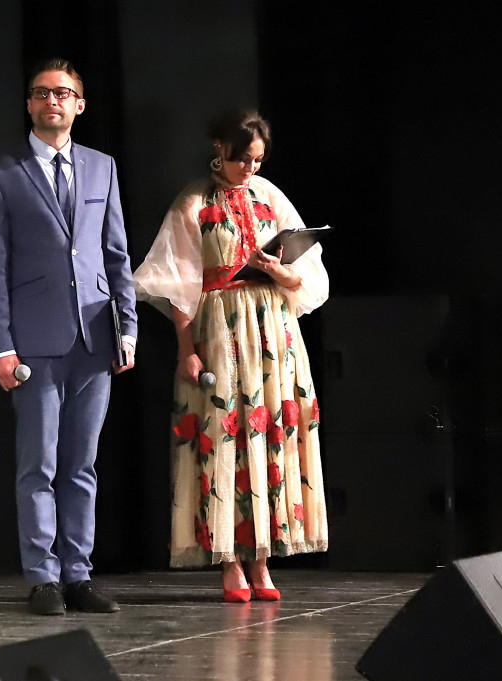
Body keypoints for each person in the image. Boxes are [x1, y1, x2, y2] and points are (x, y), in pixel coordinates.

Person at [133, 109, 329, 601]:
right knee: (226, 434)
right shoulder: (194, 202)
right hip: (221, 327)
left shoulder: (269, 198)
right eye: (243, 159)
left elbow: (305, 273)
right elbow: (178, 285)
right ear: (220, 148)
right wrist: (187, 351)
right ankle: (229, 562)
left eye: (258, 160)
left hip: (272, 329)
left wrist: (277, 270)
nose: (250, 169)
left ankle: (262, 559)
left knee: (268, 435)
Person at [0, 58, 137, 615]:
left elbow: (116, 255)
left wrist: (127, 328)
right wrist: (0, 345)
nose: (52, 101)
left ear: (79, 105)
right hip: (34, 343)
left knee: (81, 467)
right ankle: (43, 578)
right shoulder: (1, 173)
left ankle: (78, 575)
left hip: (95, 339)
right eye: (42, 93)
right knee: (38, 466)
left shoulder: (102, 167)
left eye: (63, 94)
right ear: (29, 103)